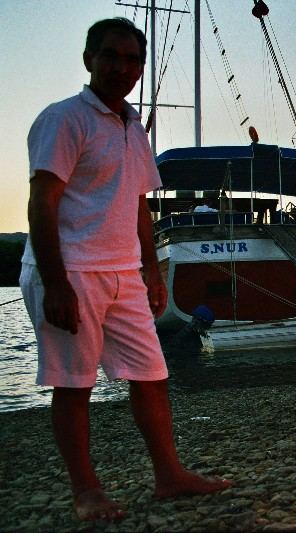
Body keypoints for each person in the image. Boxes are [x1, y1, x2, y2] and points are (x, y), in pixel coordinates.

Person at [19, 18, 230, 521]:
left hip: (124, 274)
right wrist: (55, 283)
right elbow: (41, 203)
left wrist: (153, 273)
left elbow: (138, 205)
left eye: (132, 59)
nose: (121, 68)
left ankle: (169, 475)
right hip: (71, 272)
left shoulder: (134, 129)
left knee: (152, 373)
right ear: (89, 59)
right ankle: (85, 490)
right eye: (110, 56)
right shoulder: (64, 119)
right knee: (75, 384)